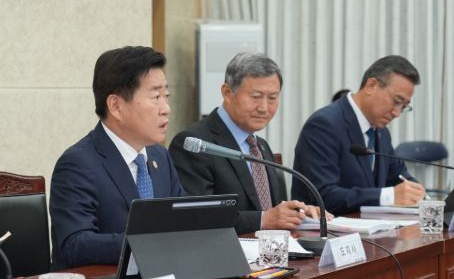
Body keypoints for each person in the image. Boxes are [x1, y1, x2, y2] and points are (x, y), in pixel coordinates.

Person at [50, 46, 186, 270]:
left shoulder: (159, 156)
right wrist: (147, 244)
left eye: (166, 96)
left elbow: (182, 219)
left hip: (162, 278)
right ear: (116, 106)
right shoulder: (78, 163)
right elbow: (74, 244)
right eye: (156, 97)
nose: (166, 109)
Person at [169, 52, 325, 234]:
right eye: (256, 96)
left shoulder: (261, 145)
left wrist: (299, 214)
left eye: (272, 98)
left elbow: (271, 210)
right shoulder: (195, 144)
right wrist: (264, 219)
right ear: (227, 93)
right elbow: (198, 216)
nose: (264, 107)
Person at [292, 55, 426, 215]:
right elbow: (323, 196)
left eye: (404, 107)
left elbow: (398, 175)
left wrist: (417, 194)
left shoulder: (381, 131)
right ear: (371, 85)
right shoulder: (324, 124)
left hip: (372, 227)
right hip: (326, 228)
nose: (397, 113)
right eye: (397, 101)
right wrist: (389, 196)